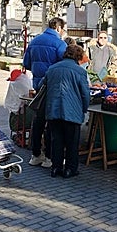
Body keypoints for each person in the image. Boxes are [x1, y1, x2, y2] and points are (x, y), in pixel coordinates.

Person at [23, 17, 67, 168]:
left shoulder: (34, 41)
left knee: (39, 120)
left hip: (37, 85)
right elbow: (64, 64)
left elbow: (26, 63)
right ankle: (49, 157)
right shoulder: (60, 44)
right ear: (59, 28)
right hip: (53, 87)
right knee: (52, 122)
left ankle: (35, 154)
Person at [41, 44, 90, 178]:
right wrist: (85, 108)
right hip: (72, 111)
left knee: (56, 140)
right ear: (78, 56)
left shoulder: (52, 68)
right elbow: (85, 94)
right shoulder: (80, 71)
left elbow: (42, 85)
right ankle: (70, 169)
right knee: (71, 142)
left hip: (53, 110)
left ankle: (55, 168)